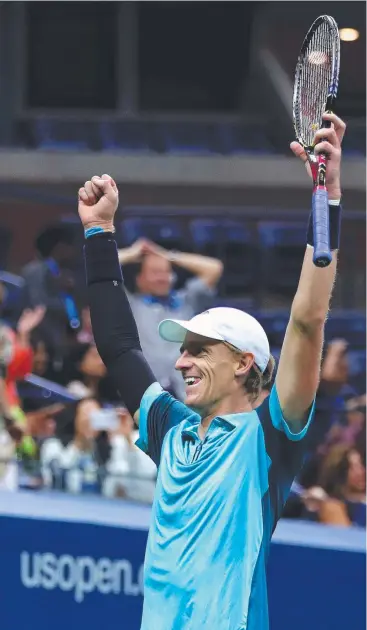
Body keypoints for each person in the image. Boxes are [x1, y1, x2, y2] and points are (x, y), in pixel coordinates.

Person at [78, 112, 345, 630]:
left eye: (200, 350)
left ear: (245, 362)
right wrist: (98, 231)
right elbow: (117, 346)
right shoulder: (169, 427)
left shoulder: (268, 437)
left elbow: (308, 321)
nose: (181, 362)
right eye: (183, 350)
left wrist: (325, 196)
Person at [118, 238, 223, 398]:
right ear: (139, 279)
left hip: (186, 393)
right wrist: (134, 253)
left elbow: (214, 268)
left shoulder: (187, 300)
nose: (162, 278)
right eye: (155, 272)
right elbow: (98, 266)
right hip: (146, 395)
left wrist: (166, 255)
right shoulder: (128, 304)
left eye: (166, 272)